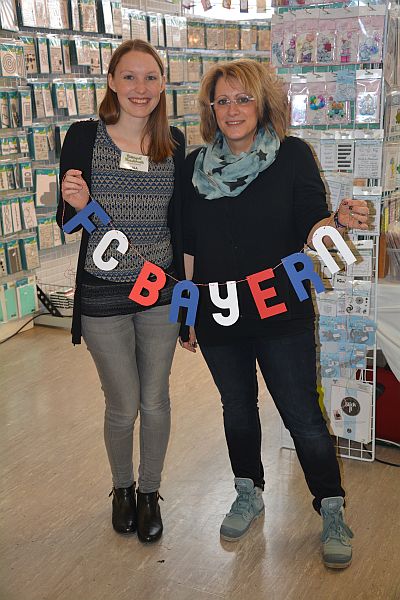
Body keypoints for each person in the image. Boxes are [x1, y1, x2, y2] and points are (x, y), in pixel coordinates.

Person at [181, 59, 369, 568]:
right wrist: (186, 313)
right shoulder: (193, 167)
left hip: (281, 308)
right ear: (211, 109)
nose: (232, 110)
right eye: (222, 100)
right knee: (237, 408)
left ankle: (331, 507)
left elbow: (311, 223)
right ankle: (248, 492)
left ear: (263, 103)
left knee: (302, 414)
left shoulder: (292, 155)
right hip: (217, 311)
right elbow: (189, 245)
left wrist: (335, 223)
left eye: (243, 98)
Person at [56, 39, 185, 543]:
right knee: (123, 403)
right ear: (111, 81)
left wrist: (189, 299)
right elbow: (67, 222)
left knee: (155, 400)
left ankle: (150, 491)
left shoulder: (173, 141)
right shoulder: (83, 137)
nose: (140, 87)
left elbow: (181, 225)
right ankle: (122, 488)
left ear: (162, 84)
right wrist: (76, 203)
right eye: (129, 76)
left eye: (150, 77)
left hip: (160, 290)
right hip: (103, 292)